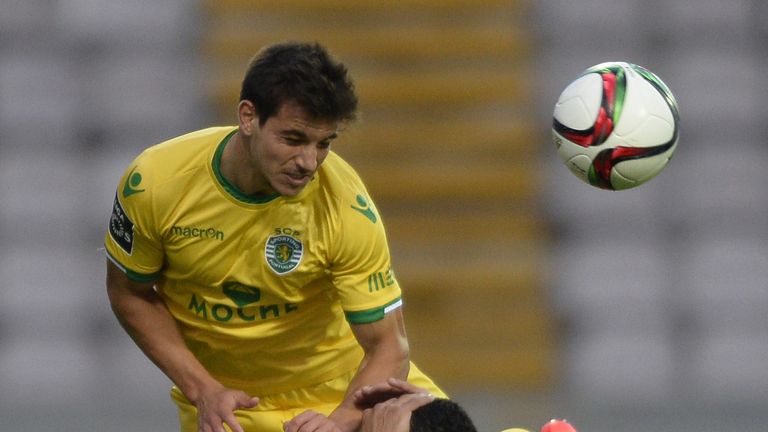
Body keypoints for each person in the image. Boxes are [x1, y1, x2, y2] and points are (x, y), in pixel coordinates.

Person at [104, 41, 445, 432]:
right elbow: (130, 293)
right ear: (248, 117)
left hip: (348, 389)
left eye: (324, 144)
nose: (308, 163)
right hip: (232, 403)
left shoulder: (344, 203)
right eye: (294, 139)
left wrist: (339, 422)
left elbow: (389, 344)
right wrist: (203, 390)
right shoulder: (156, 183)